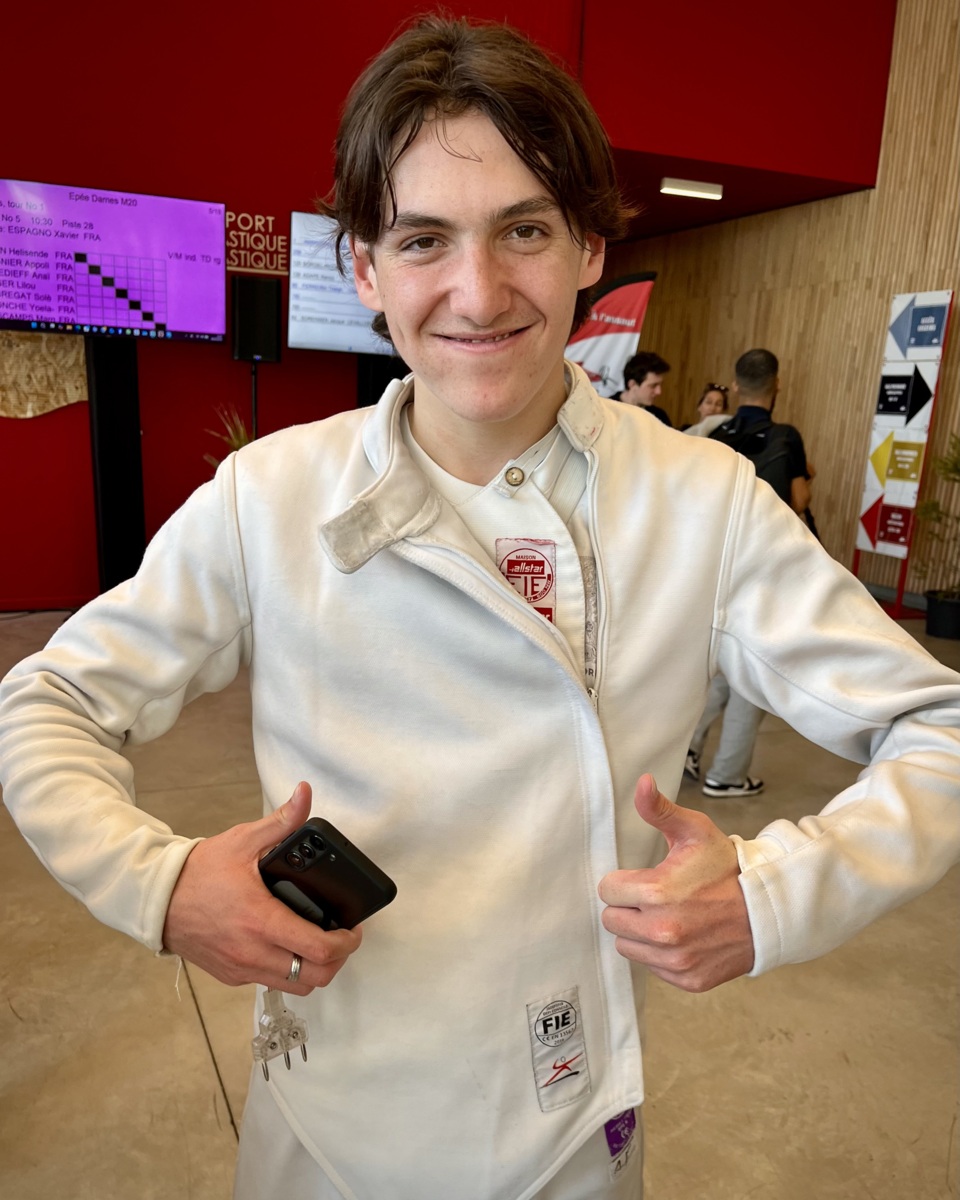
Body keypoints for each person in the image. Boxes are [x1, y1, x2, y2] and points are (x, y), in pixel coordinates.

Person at [1, 16, 959, 1200]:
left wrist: (775, 898)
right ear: (364, 268)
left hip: (567, 1111)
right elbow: (48, 701)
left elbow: (939, 728)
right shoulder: (272, 495)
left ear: (591, 245)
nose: (479, 290)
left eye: (524, 230)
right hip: (329, 1106)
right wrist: (159, 885)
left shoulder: (701, 503)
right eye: (423, 239)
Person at [684, 349, 813, 797]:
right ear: (777, 385)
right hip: (768, 569)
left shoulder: (714, 435)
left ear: (736, 386)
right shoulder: (786, 436)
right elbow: (799, 501)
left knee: (722, 665)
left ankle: (686, 749)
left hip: (715, 565)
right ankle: (727, 775)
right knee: (755, 674)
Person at [618, 350, 673, 425]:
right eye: (653, 386)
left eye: (660, 385)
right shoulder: (606, 411)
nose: (659, 392)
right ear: (632, 384)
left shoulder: (660, 416)